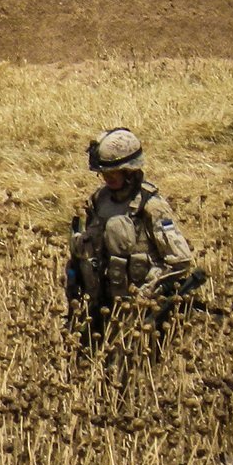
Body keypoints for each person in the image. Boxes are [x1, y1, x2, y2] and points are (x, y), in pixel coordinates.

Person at [65, 127, 203, 345]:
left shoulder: (152, 207)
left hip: (140, 312)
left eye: (113, 173)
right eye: (104, 174)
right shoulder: (99, 200)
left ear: (130, 171)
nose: (107, 179)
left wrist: (149, 293)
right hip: (103, 307)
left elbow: (180, 261)